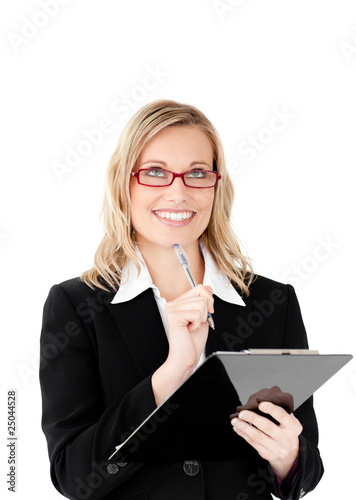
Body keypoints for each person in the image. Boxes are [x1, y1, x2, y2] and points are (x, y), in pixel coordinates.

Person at [39, 99, 324, 500]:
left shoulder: (272, 301)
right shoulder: (76, 306)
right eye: (155, 172)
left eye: (196, 173)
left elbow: (306, 470)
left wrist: (287, 456)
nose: (178, 192)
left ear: (215, 185)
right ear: (125, 183)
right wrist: (174, 372)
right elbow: (72, 474)